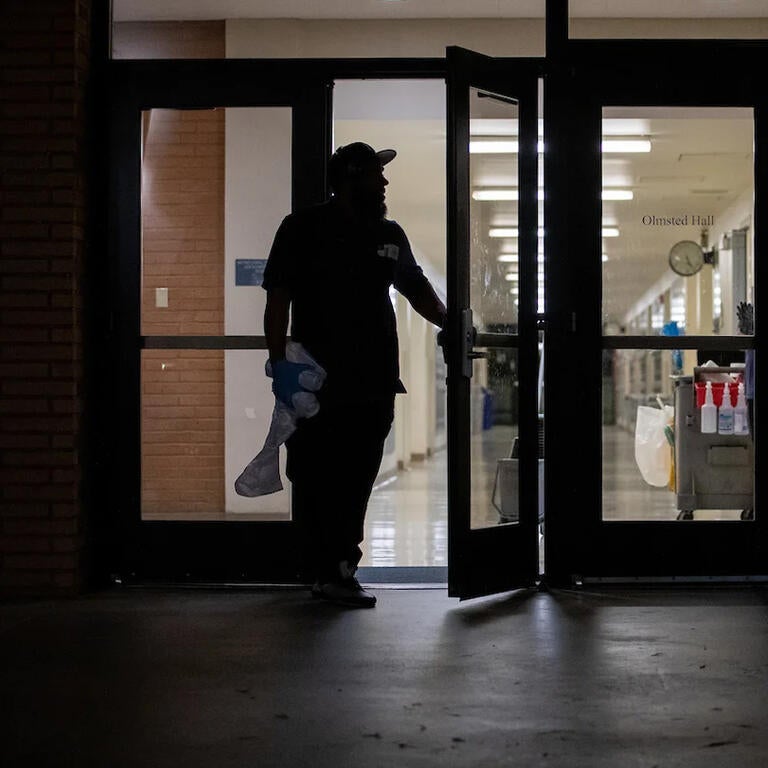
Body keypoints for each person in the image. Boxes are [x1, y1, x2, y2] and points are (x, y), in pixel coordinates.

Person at [262, 142, 447, 607]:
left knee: (358, 476)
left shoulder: (389, 233)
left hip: (374, 380)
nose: (384, 184)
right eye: (374, 175)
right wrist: (280, 365)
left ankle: (341, 568)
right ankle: (321, 569)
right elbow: (277, 301)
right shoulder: (301, 228)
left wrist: (454, 323)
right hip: (316, 381)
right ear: (349, 178)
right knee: (315, 475)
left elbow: (415, 288)